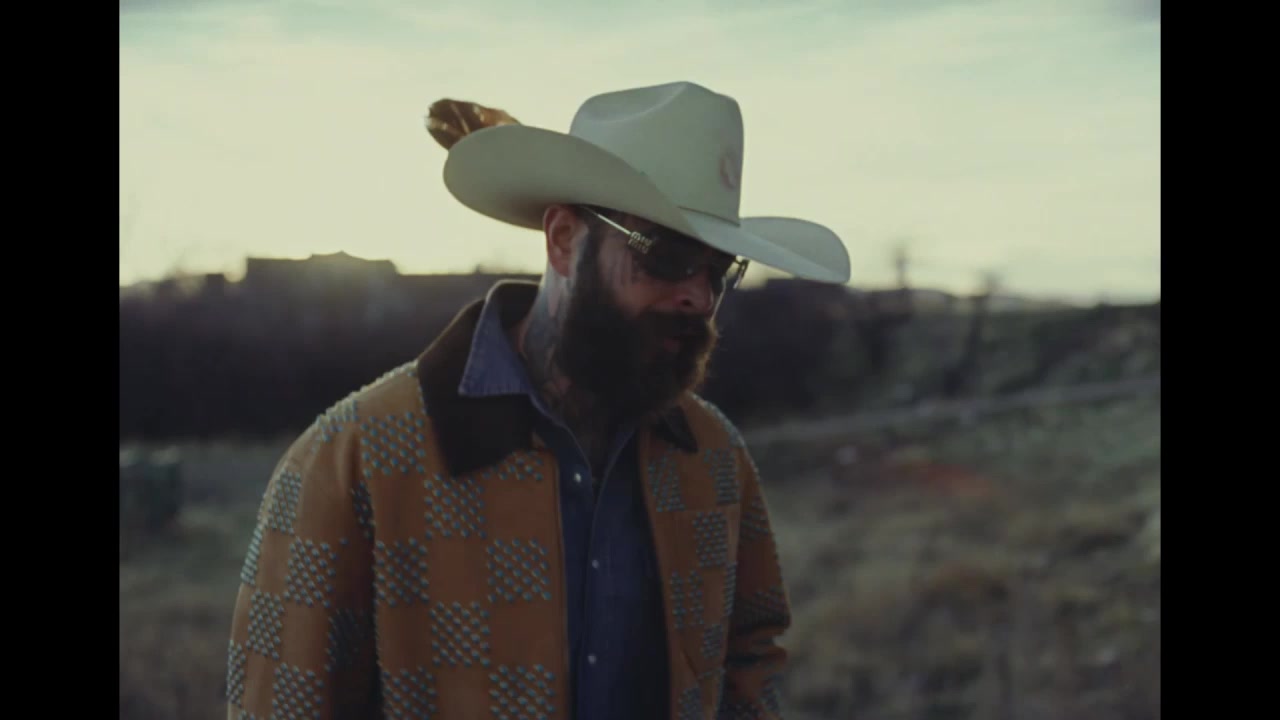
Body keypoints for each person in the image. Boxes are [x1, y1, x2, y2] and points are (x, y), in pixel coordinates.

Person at [225, 80, 851, 720]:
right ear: (563, 239)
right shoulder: (355, 458)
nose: (698, 296)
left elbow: (749, 658)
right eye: (665, 257)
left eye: (718, 271)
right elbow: (284, 701)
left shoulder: (715, 457)